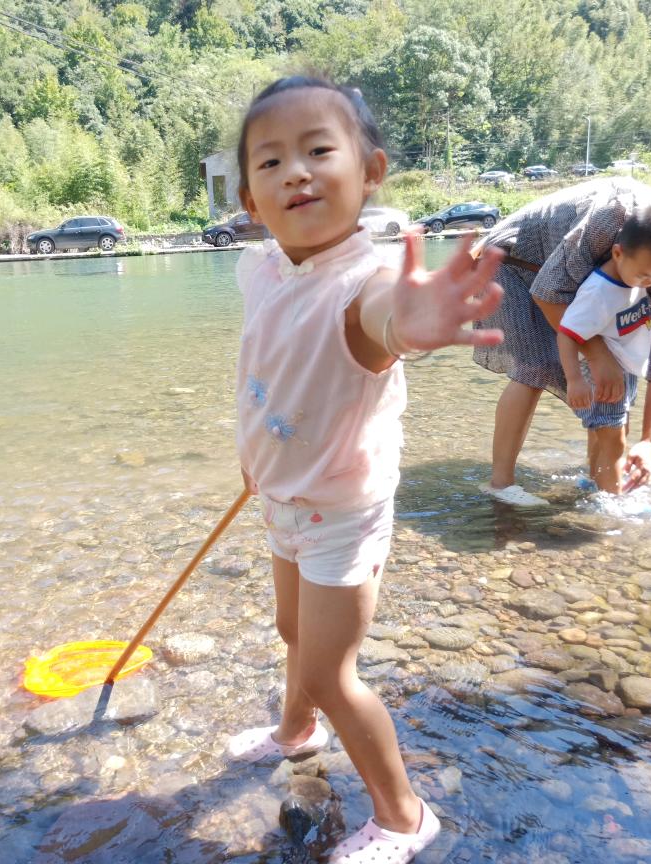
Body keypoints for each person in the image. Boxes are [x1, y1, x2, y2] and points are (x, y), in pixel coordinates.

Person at [226, 75, 505, 864]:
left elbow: (387, 320)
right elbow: (278, 370)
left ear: (371, 170)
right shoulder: (260, 269)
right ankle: (294, 731)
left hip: (341, 510)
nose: (297, 173)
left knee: (330, 670)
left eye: (319, 150)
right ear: (249, 197)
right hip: (282, 493)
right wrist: (261, 458)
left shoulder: (364, 284)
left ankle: (405, 816)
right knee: (292, 634)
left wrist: (414, 322)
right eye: (271, 161)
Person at [473, 178, 651, 506]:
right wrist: (596, 355)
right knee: (534, 368)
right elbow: (549, 291)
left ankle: (598, 481)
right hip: (516, 261)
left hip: (572, 280)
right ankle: (500, 485)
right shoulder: (616, 214)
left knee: (613, 386)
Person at [557, 205, 651, 493]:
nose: (649, 284)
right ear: (617, 253)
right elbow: (566, 333)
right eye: (644, 277)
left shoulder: (631, 275)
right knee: (615, 438)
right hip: (601, 376)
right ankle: (614, 502)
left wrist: (641, 281)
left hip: (623, 369)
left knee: (607, 432)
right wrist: (574, 379)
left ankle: (593, 483)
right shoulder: (599, 291)